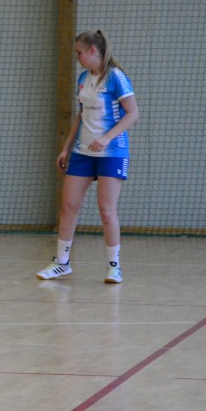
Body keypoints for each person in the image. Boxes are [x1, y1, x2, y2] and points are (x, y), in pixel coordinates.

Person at [37, 30, 140, 284]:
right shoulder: (83, 78)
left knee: (106, 209)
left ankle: (114, 267)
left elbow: (133, 114)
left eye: (79, 52)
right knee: (68, 206)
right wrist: (66, 147)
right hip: (82, 152)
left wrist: (106, 138)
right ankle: (62, 263)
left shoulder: (116, 77)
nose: (78, 57)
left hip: (112, 153)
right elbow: (81, 115)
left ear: (93, 50)